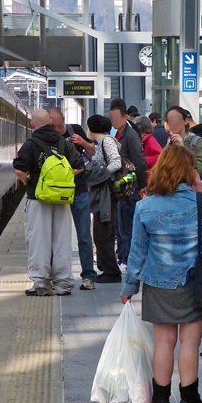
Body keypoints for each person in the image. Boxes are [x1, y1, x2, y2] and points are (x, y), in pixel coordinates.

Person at [120, 145, 202, 403]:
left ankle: (160, 400)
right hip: (196, 283)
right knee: (190, 343)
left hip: (158, 283)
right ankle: (190, 399)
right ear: (189, 172)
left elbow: (138, 252)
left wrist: (129, 287)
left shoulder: (145, 206)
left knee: (164, 342)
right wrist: (201, 190)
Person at [14, 109, 84, 297]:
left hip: (38, 199)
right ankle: (63, 284)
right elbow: (79, 167)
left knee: (39, 241)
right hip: (61, 200)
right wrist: (63, 181)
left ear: (32, 125)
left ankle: (42, 284)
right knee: (62, 241)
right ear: (50, 122)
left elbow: (19, 170)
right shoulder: (63, 143)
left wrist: (31, 183)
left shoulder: (30, 145)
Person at [48, 108, 97, 290]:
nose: (56, 130)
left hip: (79, 190)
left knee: (84, 235)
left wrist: (83, 142)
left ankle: (89, 276)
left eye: (58, 126)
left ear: (63, 120)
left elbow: (93, 151)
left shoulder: (75, 129)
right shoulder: (48, 137)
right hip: (57, 193)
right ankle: (56, 276)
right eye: (53, 127)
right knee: (56, 237)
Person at [85, 115, 124, 283]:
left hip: (107, 193)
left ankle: (112, 272)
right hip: (102, 193)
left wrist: (101, 175)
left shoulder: (107, 141)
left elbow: (116, 162)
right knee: (100, 232)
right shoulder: (100, 143)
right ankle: (106, 268)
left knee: (103, 233)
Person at [109, 99, 148, 267]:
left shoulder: (130, 136)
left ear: (125, 117)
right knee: (121, 225)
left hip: (130, 187)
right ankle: (123, 257)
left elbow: (140, 161)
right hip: (123, 187)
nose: (113, 121)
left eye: (116, 118)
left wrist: (142, 185)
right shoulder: (118, 134)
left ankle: (128, 259)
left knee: (128, 224)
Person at [164, 106, 202, 177]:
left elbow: (200, 171)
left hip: (189, 183)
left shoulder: (198, 142)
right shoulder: (169, 143)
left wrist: (182, 149)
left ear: (185, 121)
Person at [134, 115, 163, 181]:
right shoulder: (147, 140)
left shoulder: (149, 140)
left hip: (150, 177)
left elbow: (159, 158)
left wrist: (142, 160)